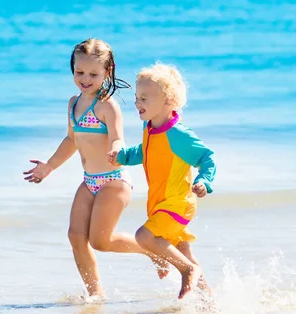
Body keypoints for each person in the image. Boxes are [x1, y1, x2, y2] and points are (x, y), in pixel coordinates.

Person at [24, 39, 168, 298]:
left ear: (107, 72)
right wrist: (49, 167)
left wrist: (116, 149)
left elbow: (117, 136)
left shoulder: (106, 105)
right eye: (79, 72)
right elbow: (71, 140)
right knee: (75, 236)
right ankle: (96, 294)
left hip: (114, 181)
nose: (85, 79)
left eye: (93, 74)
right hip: (89, 181)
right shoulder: (73, 104)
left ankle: (152, 249)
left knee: (101, 241)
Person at [108, 63, 216, 299]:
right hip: (161, 203)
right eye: (137, 97)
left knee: (143, 237)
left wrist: (204, 181)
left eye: (145, 98)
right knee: (183, 251)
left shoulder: (178, 134)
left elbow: (206, 157)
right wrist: (125, 156)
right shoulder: (151, 128)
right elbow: (146, 152)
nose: (137, 103)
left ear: (168, 100)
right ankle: (211, 302)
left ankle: (188, 270)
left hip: (177, 204)